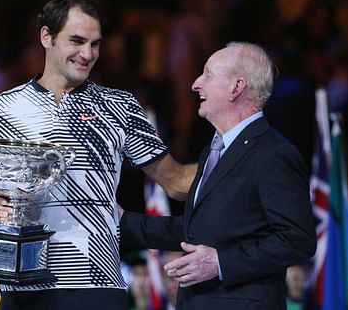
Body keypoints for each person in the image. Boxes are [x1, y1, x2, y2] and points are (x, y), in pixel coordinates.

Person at [0, 0, 197, 310]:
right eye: (77, 41)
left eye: (95, 43)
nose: (87, 54)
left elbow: (176, 182)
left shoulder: (121, 107)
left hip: (95, 283)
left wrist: (232, 161)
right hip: (23, 285)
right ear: (47, 36)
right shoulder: (1, 109)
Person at [120, 42, 317, 309]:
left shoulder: (273, 154)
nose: (195, 84)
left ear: (237, 87)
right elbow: (192, 230)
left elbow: (297, 240)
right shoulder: (215, 150)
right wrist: (122, 221)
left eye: (208, 75)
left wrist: (220, 263)